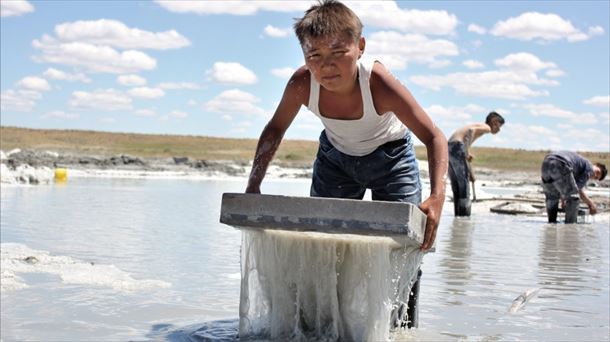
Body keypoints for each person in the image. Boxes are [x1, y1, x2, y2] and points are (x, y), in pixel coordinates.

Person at [245, 0, 447, 330]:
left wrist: (438, 197)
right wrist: (253, 185)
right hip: (335, 160)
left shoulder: (379, 84)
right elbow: (275, 129)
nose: (326, 66)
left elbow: (434, 136)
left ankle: (399, 330)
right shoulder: (301, 84)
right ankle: (323, 328)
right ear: (304, 57)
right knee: (322, 245)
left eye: (338, 52)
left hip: (391, 158)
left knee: (407, 248)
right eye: (315, 56)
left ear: (360, 47)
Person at [447, 112, 504, 216]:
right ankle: (464, 218)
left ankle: (458, 218)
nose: (499, 130)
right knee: (464, 187)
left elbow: (467, 136)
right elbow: (471, 131)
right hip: (457, 146)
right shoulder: (487, 127)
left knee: (457, 187)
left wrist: (467, 154)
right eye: (499, 126)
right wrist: (466, 150)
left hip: (449, 147)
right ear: (494, 122)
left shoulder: (478, 125)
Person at [541, 151, 606, 223]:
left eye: (596, 178)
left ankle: (551, 225)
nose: (595, 175)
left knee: (552, 199)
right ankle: (570, 226)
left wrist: (563, 200)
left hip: (546, 163)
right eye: (598, 172)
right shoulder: (589, 168)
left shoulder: (579, 167)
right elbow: (577, 190)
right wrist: (591, 204)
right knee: (574, 198)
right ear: (595, 165)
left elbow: (566, 187)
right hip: (561, 162)